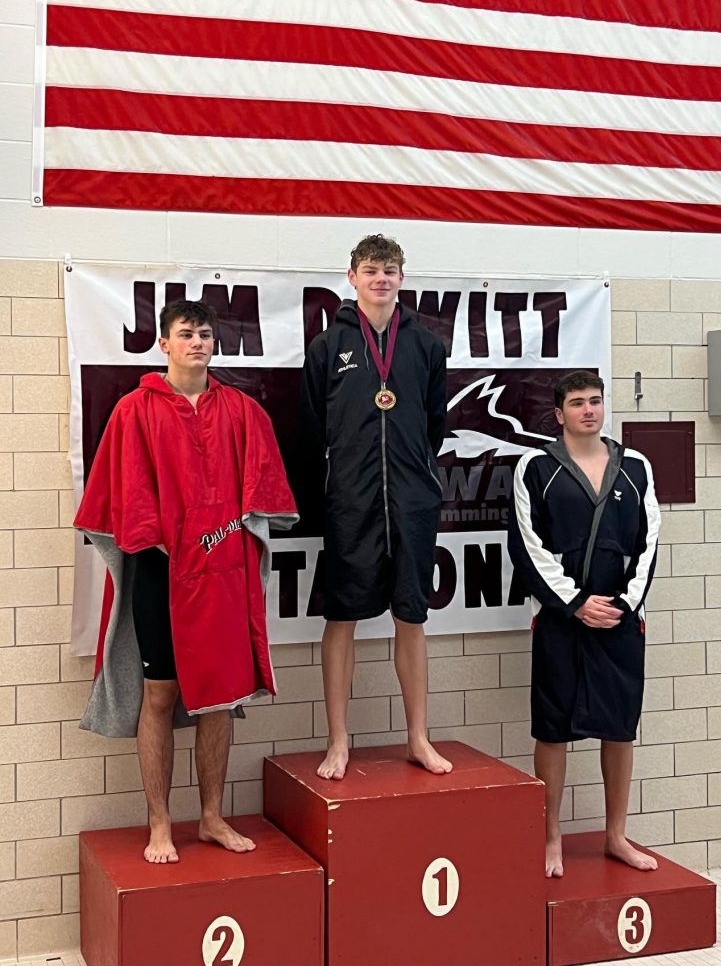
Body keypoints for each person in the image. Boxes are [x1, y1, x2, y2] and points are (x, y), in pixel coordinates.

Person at [75, 299, 298, 864]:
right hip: (161, 569)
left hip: (223, 573)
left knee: (219, 701)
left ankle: (212, 817)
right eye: (185, 334)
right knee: (160, 693)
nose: (197, 342)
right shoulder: (134, 411)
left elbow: (266, 490)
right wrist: (164, 537)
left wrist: (226, 530)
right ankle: (158, 823)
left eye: (204, 334)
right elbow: (116, 495)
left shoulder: (244, 411)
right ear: (164, 344)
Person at [300, 234, 452, 781]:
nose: (380, 279)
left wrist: (414, 477)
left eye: (390, 270)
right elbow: (312, 429)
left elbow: (435, 425)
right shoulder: (326, 347)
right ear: (352, 277)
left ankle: (418, 737)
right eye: (370, 270)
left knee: (410, 616)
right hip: (351, 501)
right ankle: (338, 740)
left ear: (402, 279)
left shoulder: (426, 346)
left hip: (410, 499)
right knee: (342, 617)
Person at [507, 370, 660, 877]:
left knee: (620, 729)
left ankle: (616, 835)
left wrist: (622, 604)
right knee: (552, 729)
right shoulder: (535, 467)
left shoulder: (635, 467)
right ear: (559, 414)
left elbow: (649, 542)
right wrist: (574, 603)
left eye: (595, 401)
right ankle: (550, 836)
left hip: (619, 617)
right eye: (577, 403)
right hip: (559, 618)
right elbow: (527, 544)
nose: (589, 410)